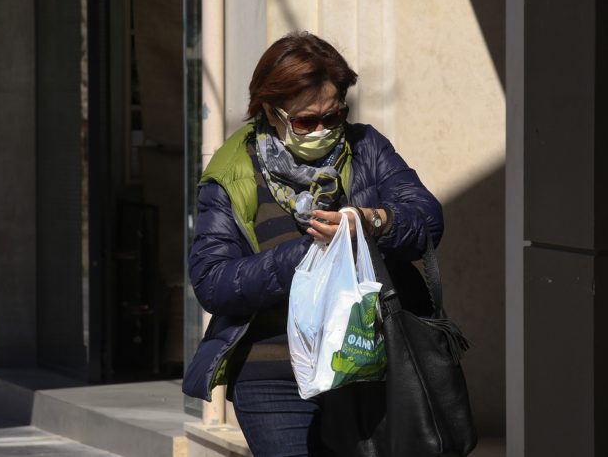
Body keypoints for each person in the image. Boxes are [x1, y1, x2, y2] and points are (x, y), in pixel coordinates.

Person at [182, 31, 444, 456]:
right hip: (274, 377)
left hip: (370, 365)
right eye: (306, 121)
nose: (322, 129)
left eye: (333, 116)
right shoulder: (233, 171)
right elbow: (212, 282)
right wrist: (306, 258)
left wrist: (373, 222)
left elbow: (428, 220)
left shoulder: (366, 148)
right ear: (271, 111)